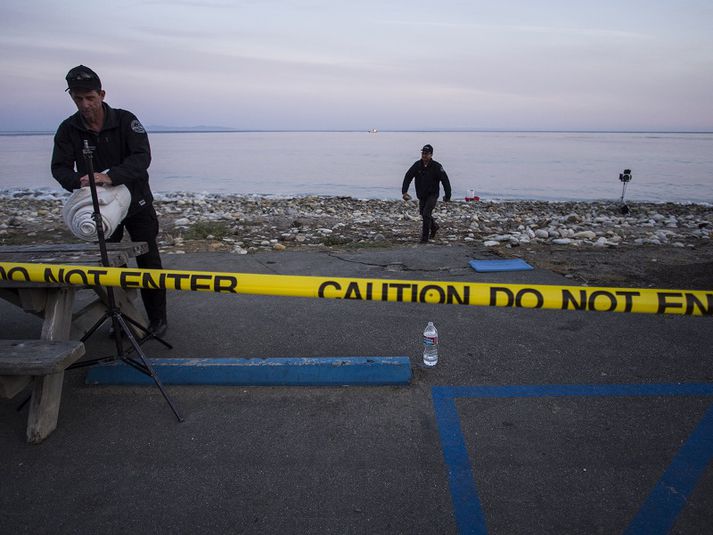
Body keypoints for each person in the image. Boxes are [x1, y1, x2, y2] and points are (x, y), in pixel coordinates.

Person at [51, 65, 167, 336]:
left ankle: (158, 320)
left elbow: (142, 158)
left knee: (149, 259)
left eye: (90, 98)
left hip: (137, 202)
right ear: (71, 96)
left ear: (101, 94)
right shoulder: (68, 129)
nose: (85, 105)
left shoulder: (126, 121)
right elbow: (59, 168)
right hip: (99, 209)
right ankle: (123, 318)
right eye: (78, 99)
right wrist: (77, 180)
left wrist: (110, 176)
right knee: (109, 264)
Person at [401, 144, 452, 243]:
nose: (424, 155)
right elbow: (408, 177)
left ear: (431, 155)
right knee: (423, 213)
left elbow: (445, 180)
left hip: (433, 194)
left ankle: (424, 238)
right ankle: (434, 227)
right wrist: (404, 192)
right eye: (423, 153)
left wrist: (448, 195)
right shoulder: (417, 165)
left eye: (426, 153)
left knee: (426, 213)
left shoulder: (437, 166)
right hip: (421, 194)